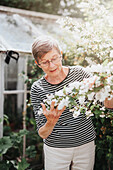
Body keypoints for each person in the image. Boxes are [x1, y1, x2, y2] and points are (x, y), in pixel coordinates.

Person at [30, 35, 96, 170]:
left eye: (54, 58)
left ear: (61, 54)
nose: (52, 65)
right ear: (38, 63)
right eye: (45, 62)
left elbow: (105, 104)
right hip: (56, 150)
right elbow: (42, 133)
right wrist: (51, 121)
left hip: (85, 145)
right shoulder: (38, 88)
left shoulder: (80, 74)